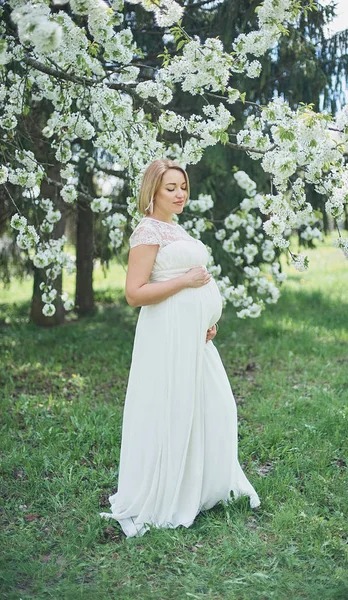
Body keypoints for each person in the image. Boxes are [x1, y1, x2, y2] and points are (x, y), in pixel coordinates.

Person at [100, 159, 260, 537]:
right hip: (165, 333)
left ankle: (204, 485)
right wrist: (188, 282)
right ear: (153, 190)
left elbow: (192, 283)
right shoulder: (147, 231)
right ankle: (168, 490)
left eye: (183, 187)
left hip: (190, 334)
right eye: (171, 187)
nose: (180, 194)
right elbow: (134, 294)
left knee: (214, 404)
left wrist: (205, 318)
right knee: (174, 405)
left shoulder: (175, 228)